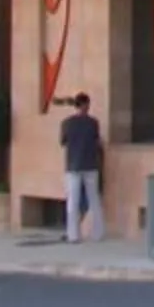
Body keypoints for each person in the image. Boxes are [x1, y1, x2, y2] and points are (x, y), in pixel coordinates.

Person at [58, 92, 105, 244]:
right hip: (91, 164)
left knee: (73, 201)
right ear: (86, 105)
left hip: (73, 165)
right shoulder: (93, 123)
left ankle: (73, 235)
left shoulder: (67, 123)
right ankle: (97, 233)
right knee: (94, 199)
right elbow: (98, 142)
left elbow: (63, 142)